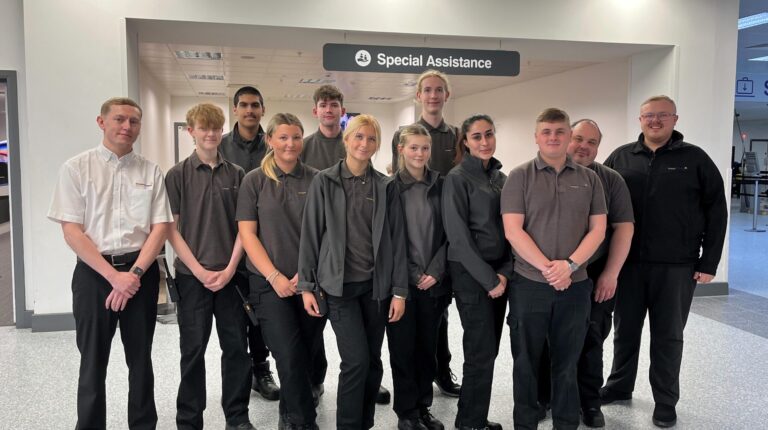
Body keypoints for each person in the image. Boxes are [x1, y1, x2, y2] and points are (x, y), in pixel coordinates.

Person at [600, 96, 727, 428]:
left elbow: (717, 211)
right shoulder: (621, 156)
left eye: (662, 116)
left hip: (677, 266)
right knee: (624, 330)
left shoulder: (695, 159)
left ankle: (665, 400)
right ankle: (619, 385)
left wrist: (709, 261)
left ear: (675, 119)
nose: (655, 121)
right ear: (639, 120)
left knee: (668, 336)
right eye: (648, 116)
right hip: (627, 265)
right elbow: (603, 209)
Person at [48, 97, 172, 429]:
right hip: (93, 275)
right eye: (119, 119)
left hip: (140, 274)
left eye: (133, 121)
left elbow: (160, 228)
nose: (126, 127)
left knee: (141, 361)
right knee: (92, 362)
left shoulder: (150, 171)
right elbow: (72, 231)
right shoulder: (77, 168)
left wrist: (132, 274)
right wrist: (113, 277)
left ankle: (143, 425)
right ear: (102, 122)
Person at [298, 114, 408, 429]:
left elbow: (397, 241)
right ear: (346, 140)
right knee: (356, 361)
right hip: (339, 288)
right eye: (358, 137)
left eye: (371, 138)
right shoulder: (325, 181)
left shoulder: (386, 186)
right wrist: (306, 285)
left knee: (373, 363)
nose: (364, 144)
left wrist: (399, 290)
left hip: (376, 289)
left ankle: (365, 423)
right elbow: (310, 234)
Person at [502, 108, 607, 430]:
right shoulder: (519, 176)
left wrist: (570, 266)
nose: (553, 137)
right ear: (536, 137)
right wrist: (550, 269)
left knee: (567, 363)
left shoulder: (589, 179)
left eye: (560, 131)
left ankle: (565, 423)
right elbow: (513, 230)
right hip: (529, 285)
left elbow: (598, 230)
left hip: (575, 287)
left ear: (568, 137)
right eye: (546, 131)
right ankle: (525, 423)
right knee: (526, 362)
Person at [535, 119, 634, 428]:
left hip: (593, 279)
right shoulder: (542, 175)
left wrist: (611, 274)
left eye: (592, 142)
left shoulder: (611, 180)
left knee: (591, 341)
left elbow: (623, 228)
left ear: (598, 147)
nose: (584, 146)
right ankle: (543, 397)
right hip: (547, 275)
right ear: (566, 139)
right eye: (578, 138)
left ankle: (589, 402)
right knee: (544, 341)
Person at [165, 103, 254, 430]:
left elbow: (246, 228)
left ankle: (237, 416)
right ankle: (189, 421)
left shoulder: (238, 174)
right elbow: (171, 230)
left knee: (236, 350)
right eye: (204, 128)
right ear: (191, 131)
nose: (211, 134)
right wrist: (200, 271)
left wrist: (230, 268)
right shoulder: (176, 175)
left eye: (216, 128)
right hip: (192, 278)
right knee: (192, 353)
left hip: (231, 278)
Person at [237, 113, 322, 430]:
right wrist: (274, 276)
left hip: (310, 283)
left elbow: (325, 232)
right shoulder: (254, 180)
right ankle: (303, 422)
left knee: (303, 356)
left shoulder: (317, 179)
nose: (290, 143)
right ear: (269, 140)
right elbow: (247, 235)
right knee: (287, 354)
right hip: (267, 284)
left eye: (296, 136)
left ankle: (288, 417)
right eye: (283, 137)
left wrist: (306, 272)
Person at [391, 69, 461, 398]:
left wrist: (436, 267)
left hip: (438, 250)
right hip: (407, 264)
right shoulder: (393, 185)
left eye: (439, 90)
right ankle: (410, 405)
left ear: (447, 95)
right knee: (406, 342)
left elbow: (453, 219)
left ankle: (436, 379)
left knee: (436, 328)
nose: (433, 95)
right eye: (427, 90)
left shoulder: (455, 138)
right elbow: (392, 231)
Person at [443, 114, 512, 430]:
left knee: (489, 350)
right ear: (466, 142)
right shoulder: (458, 178)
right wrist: (488, 279)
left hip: (500, 275)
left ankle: (472, 417)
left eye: (489, 134)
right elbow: (457, 237)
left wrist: (506, 273)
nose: (484, 142)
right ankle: (470, 422)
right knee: (480, 349)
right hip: (471, 276)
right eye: (476, 137)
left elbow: (512, 228)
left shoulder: (501, 177)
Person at [387, 124, 450, 430]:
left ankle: (424, 407)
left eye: (425, 148)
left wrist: (436, 271)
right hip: (402, 284)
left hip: (434, 283)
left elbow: (451, 233)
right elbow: (389, 238)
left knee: (428, 349)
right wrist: (412, 274)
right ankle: (406, 412)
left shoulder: (441, 184)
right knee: (402, 350)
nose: (420, 153)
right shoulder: (389, 188)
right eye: (413, 147)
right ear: (401, 149)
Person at [220, 85, 280, 400]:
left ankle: (261, 369)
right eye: (243, 105)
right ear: (235, 109)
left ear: (262, 109)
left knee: (260, 318)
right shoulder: (220, 147)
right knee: (234, 321)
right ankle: (238, 380)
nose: (249, 111)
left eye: (255, 105)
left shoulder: (273, 146)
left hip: (264, 247)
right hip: (229, 248)